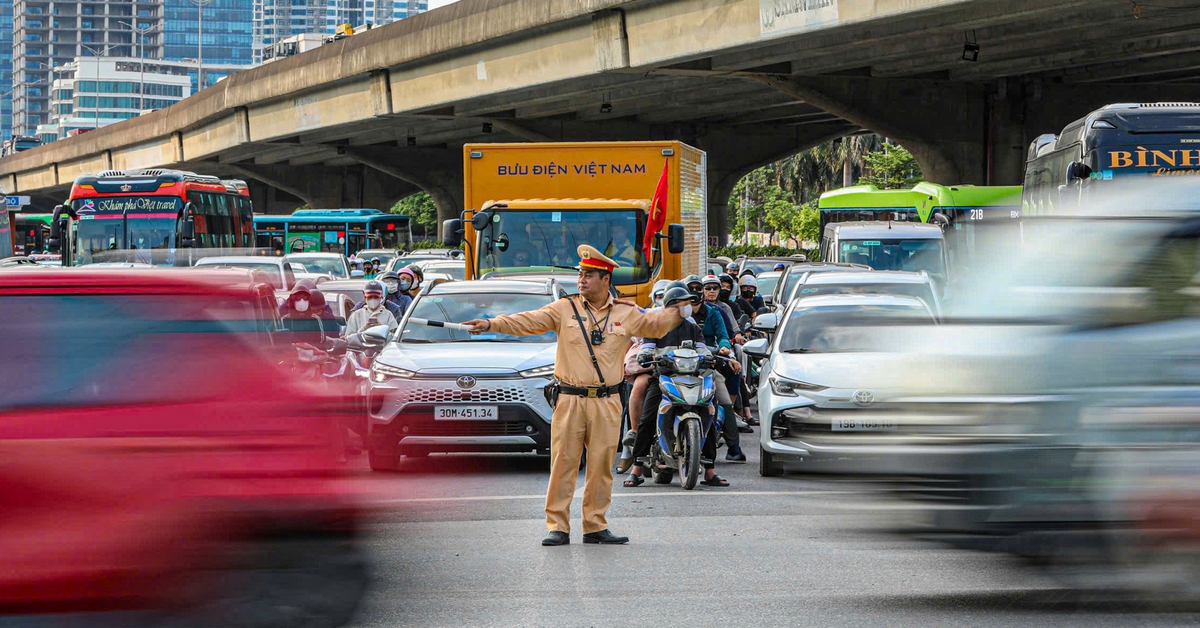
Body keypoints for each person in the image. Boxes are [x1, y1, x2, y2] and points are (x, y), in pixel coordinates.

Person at [464, 245, 684, 547]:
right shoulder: (564, 308)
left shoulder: (625, 312)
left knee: (601, 466)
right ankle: (558, 526)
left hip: (607, 401)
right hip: (569, 398)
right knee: (563, 465)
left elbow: (655, 324)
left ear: (605, 279)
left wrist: (680, 309)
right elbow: (528, 321)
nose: (582, 280)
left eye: (589, 275)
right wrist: (492, 324)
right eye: (581, 274)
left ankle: (595, 525)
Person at [624, 286, 730, 488]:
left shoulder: (692, 327)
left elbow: (702, 349)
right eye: (683, 303)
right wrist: (647, 356)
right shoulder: (655, 326)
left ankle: (710, 470)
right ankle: (637, 467)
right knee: (648, 417)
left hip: (692, 377)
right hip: (663, 377)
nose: (687, 306)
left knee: (709, 410)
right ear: (671, 305)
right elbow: (646, 348)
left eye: (688, 303)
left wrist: (709, 357)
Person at [686, 275, 746, 462]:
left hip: (707, 364)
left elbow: (723, 336)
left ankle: (734, 447)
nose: (695, 293)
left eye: (698, 288)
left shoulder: (715, 312)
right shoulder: (676, 314)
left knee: (723, 397)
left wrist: (724, 349)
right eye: (691, 289)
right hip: (680, 367)